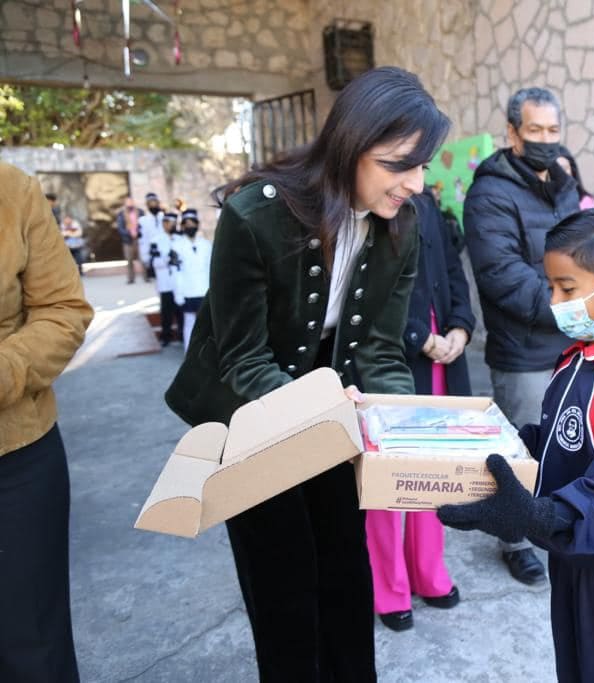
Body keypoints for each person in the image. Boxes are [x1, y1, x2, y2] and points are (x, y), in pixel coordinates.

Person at [164, 66, 450, 681]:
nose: (417, 184)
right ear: (352, 143)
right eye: (401, 164)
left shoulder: (403, 224)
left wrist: (400, 429)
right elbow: (243, 359)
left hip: (332, 394)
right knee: (284, 585)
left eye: (423, 166)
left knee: (345, 570)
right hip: (245, 407)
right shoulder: (255, 216)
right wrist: (321, 409)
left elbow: (380, 348)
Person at [439, 209, 594, 683]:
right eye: (550, 287)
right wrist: (501, 447)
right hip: (569, 550)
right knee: (574, 668)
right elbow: (560, 441)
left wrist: (538, 515)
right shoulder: (576, 358)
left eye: (567, 288)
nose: (554, 301)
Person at [463, 87, 581, 584]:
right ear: (512, 133)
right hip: (524, 349)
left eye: (553, 131)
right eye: (535, 131)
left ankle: (556, 522)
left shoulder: (564, 184)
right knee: (522, 449)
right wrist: (574, 307)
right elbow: (503, 277)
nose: (546, 140)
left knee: (568, 444)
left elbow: (582, 250)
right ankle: (515, 541)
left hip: (573, 341)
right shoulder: (489, 194)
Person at [363, 191, 474, 632]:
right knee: (389, 476)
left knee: (433, 469)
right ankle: (388, 588)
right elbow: (364, 291)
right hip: (389, 357)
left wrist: (461, 326)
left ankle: (428, 572)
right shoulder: (370, 205)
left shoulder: (427, 206)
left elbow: (453, 269)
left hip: (444, 352)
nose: (415, 177)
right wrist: (417, 336)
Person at [0, 162, 94, 682]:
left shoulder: (12, 190)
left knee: (31, 646)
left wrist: (6, 371)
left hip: (16, 457)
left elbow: (63, 310)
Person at [170, 209, 212, 351]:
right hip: (187, 290)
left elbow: (210, 269)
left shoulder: (206, 245)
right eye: (187, 224)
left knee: (207, 324)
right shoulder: (176, 246)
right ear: (182, 226)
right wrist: (178, 294)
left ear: (197, 225)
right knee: (189, 323)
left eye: (193, 224)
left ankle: (207, 353)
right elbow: (175, 272)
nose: (190, 227)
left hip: (204, 290)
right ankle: (189, 353)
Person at [150, 211, 184, 346]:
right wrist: (168, 258)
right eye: (169, 223)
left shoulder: (181, 239)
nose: (171, 225)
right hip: (165, 282)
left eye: (173, 223)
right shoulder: (156, 240)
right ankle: (166, 336)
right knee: (166, 311)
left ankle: (182, 335)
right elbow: (155, 263)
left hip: (180, 281)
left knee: (181, 310)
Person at [116, 196, 144, 283]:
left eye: (131, 201)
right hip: (128, 240)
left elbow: (143, 224)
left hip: (139, 238)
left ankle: (146, 277)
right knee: (129, 260)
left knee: (143, 259)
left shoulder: (140, 212)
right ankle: (130, 278)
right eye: (128, 202)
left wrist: (138, 232)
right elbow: (120, 228)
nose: (130, 203)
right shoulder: (121, 214)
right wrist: (129, 233)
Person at [138, 192, 163, 282]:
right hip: (154, 255)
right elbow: (143, 241)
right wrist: (145, 257)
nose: (153, 205)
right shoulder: (143, 221)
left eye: (154, 202)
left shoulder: (164, 217)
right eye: (150, 203)